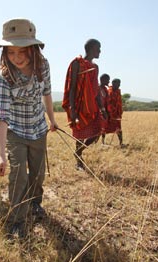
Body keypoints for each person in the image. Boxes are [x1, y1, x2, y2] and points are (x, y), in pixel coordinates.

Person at [0, 18, 58, 238]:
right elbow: (1, 115)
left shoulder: (43, 66)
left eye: (22, 52)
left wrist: (52, 119)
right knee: (19, 175)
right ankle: (17, 221)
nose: (16, 58)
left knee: (37, 174)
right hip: (16, 132)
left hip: (39, 129)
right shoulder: (4, 77)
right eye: (10, 52)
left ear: (33, 50)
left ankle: (35, 203)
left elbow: (46, 93)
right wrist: (0, 155)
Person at [62, 39, 107, 170]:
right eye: (98, 48)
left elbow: (96, 89)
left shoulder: (95, 67)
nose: (100, 51)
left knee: (98, 131)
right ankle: (79, 162)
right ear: (92, 48)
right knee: (80, 135)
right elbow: (72, 87)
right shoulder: (77, 63)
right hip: (79, 105)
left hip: (92, 106)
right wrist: (72, 109)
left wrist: (102, 108)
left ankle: (78, 152)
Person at [106, 78, 125, 147]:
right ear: (113, 83)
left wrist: (119, 110)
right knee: (103, 128)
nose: (119, 85)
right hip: (109, 114)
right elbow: (108, 103)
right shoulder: (109, 92)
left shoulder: (118, 91)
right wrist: (110, 112)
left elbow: (119, 102)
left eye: (120, 83)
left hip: (117, 114)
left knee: (118, 128)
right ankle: (102, 142)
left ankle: (121, 143)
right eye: (118, 83)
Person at [98, 73, 110, 144]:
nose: (108, 82)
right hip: (97, 112)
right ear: (103, 80)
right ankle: (94, 143)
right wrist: (102, 110)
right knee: (97, 128)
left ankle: (102, 142)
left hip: (104, 112)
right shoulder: (97, 88)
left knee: (103, 128)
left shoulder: (105, 89)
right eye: (108, 80)